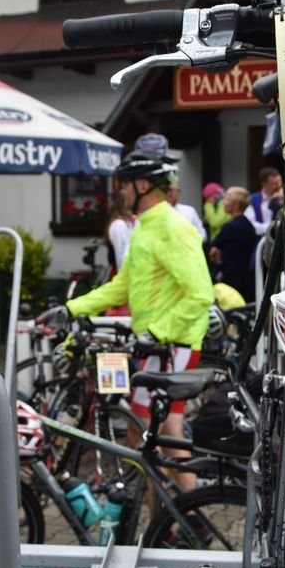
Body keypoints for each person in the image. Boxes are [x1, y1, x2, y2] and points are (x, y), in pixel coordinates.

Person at [39, 149, 213, 491]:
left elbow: (200, 294)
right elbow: (123, 286)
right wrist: (72, 309)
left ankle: (180, 510)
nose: (120, 191)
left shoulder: (172, 226)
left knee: (147, 432)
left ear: (143, 185)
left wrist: (157, 333)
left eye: (124, 184)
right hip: (160, 343)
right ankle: (178, 511)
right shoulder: (146, 226)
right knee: (157, 433)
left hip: (172, 342)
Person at [208, 186, 258, 303]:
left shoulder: (229, 227)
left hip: (229, 279)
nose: (223, 202)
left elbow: (213, 250)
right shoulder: (249, 226)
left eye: (226, 199)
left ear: (236, 204)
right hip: (246, 279)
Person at [244, 167, 284, 237]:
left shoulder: (283, 198)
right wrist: (271, 228)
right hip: (259, 240)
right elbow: (250, 224)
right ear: (264, 184)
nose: (279, 185)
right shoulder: (253, 199)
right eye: (275, 183)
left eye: (280, 182)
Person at [104, 182, 134, 274]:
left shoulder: (129, 223)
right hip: (120, 274)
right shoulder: (119, 225)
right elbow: (121, 257)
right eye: (130, 208)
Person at [167, 179, 207, 243]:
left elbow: (201, 232)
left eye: (178, 190)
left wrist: (192, 242)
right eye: (171, 190)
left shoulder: (189, 211)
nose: (175, 193)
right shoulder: (157, 211)